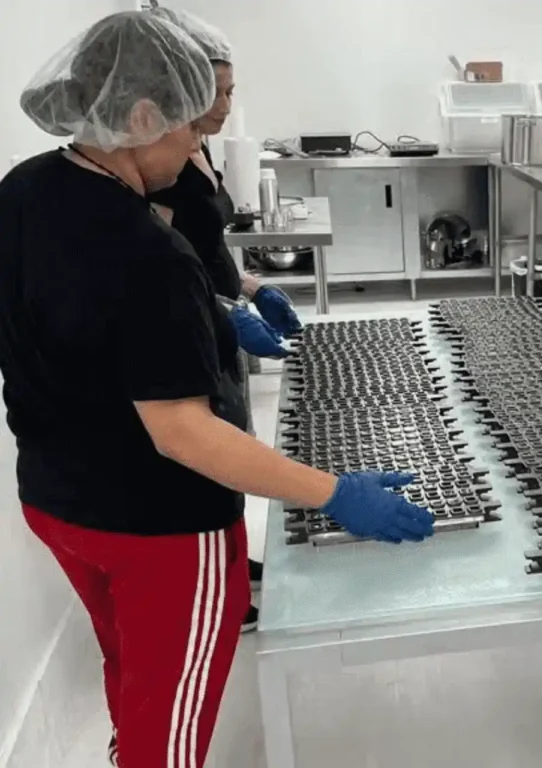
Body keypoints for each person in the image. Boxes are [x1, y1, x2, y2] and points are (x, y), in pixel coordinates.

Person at [0, 12, 433, 768]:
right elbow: (182, 434)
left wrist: (216, 312)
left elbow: (72, 324)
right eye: (188, 128)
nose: (198, 144)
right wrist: (333, 492)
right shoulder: (145, 250)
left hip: (55, 499)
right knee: (172, 722)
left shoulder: (26, 188)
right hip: (159, 527)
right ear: (139, 116)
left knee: (134, 673)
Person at [146, 7, 293, 629]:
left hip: (221, 314)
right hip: (195, 327)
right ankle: (222, 588)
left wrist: (252, 286)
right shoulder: (158, 169)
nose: (229, 103)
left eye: (232, 89)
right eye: (219, 89)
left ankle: (235, 563)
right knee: (213, 450)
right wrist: (224, 309)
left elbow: (206, 251)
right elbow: (165, 270)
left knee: (236, 438)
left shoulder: (196, 148)